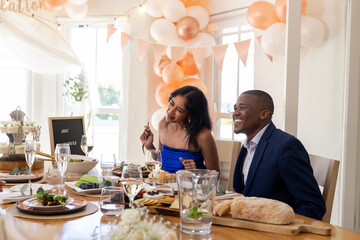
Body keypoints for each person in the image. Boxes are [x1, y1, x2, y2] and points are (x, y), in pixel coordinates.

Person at [232, 90, 326, 220]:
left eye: (242, 108)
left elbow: (313, 206)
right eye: (235, 108)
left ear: (264, 114)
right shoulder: (248, 145)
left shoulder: (287, 147)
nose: (235, 112)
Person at [140, 86, 220, 173]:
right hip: (164, 186)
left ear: (190, 115)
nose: (170, 111)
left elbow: (216, 174)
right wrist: (149, 146)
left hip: (188, 186)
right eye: (172, 103)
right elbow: (162, 161)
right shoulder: (163, 125)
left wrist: (196, 171)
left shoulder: (202, 135)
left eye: (179, 110)